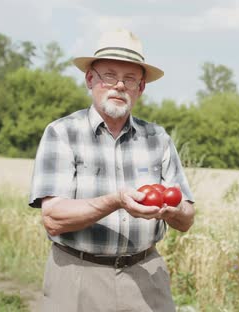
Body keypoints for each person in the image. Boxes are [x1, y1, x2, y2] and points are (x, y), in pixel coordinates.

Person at [28, 29, 195, 312]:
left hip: (145, 275)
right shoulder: (62, 133)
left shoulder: (158, 138)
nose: (119, 85)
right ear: (90, 79)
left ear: (140, 88)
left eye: (130, 79)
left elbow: (187, 217)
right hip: (77, 274)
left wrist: (173, 211)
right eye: (109, 75)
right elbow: (54, 218)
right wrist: (115, 201)